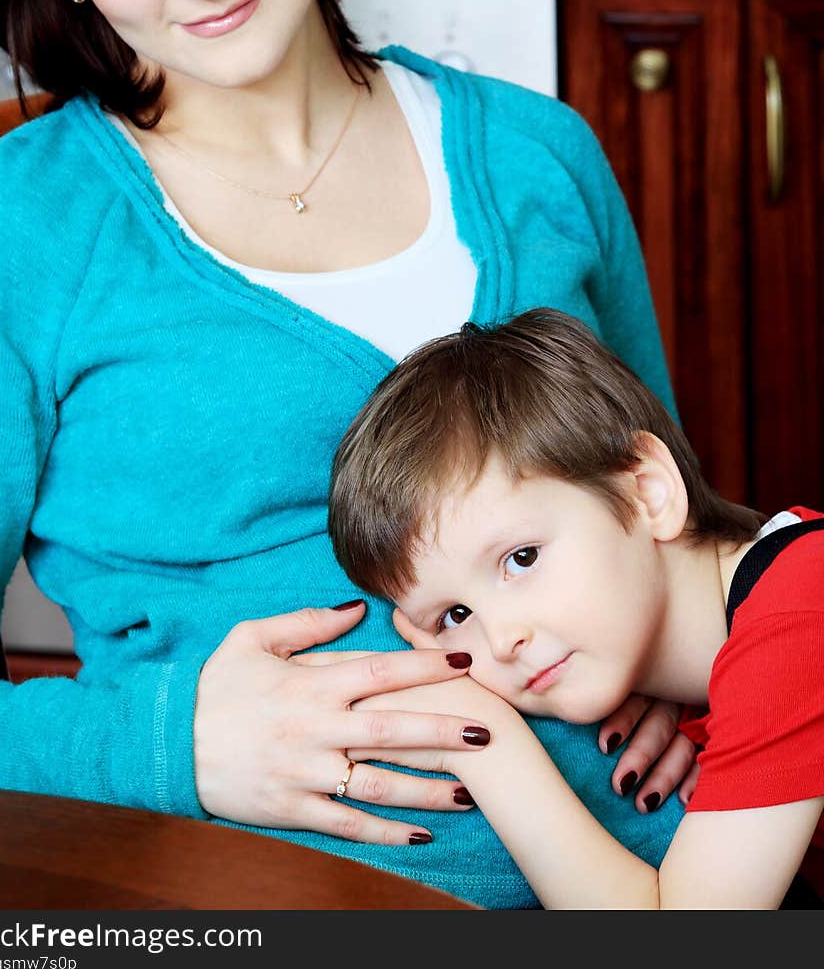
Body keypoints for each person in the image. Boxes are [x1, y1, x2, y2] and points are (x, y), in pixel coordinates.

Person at [0, 0, 689, 909]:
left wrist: (703, 668)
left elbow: (677, 517)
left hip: (682, 870)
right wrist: (167, 745)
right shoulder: (13, 231)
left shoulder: (537, 158)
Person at [328, 307, 824, 908]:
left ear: (647, 491)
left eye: (522, 558)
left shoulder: (800, 612)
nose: (501, 637)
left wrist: (488, 749)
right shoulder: (745, 632)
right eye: (455, 616)